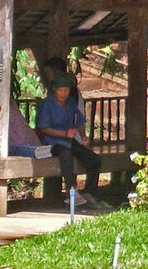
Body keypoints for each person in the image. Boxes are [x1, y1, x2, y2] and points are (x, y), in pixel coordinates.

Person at [36, 71, 101, 207]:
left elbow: (79, 122)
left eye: (66, 90)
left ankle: (89, 192)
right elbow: (43, 128)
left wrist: (83, 136)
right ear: (54, 90)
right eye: (61, 90)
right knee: (65, 154)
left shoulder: (70, 103)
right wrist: (63, 134)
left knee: (94, 159)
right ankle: (71, 191)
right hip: (51, 142)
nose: (63, 93)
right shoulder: (47, 104)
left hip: (69, 141)